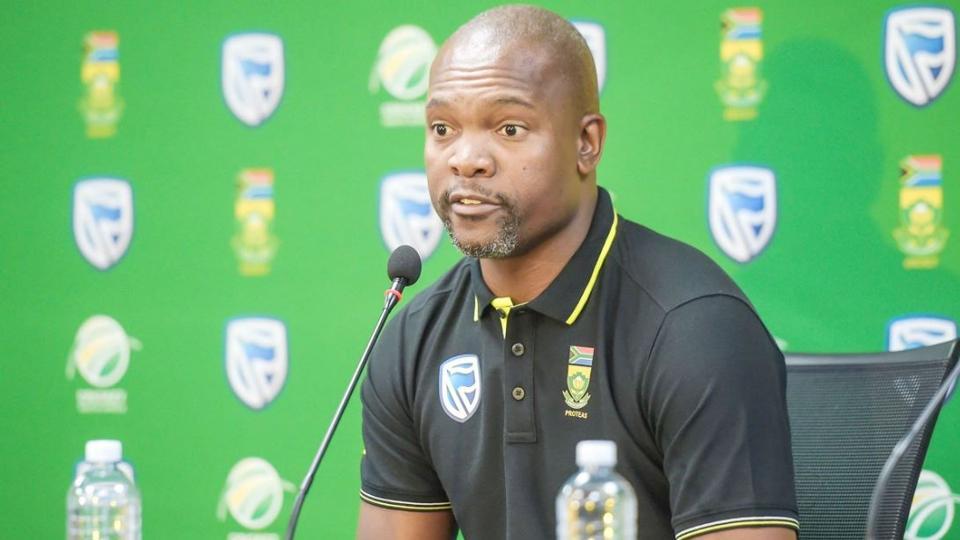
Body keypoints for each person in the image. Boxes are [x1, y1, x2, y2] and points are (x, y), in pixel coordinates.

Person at [357, 5, 798, 539]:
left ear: (586, 143)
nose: (466, 159)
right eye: (442, 128)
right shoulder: (412, 340)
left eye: (510, 128)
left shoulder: (693, 328)